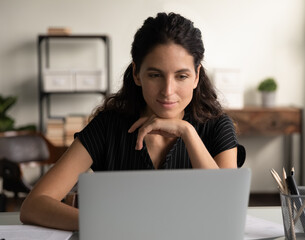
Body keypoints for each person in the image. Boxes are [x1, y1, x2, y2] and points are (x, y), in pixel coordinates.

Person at [20, 12, 245, 231]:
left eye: (181, 76)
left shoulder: (217, 126)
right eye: (155, 75)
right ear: (137, 73)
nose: (168, 91)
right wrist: (107, 225)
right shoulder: (108, 126)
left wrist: (187, 132)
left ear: (196, 76)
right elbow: (34, 205)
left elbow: (226, 211)